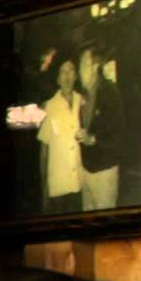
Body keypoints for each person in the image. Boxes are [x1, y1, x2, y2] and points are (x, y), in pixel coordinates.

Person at [76, 47, 125, 212]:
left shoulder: (109, 91)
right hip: (86, 169)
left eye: (83, 65)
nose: (79, 71)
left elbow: (118, 130)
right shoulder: (85, 95)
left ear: (95, 67)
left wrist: (93, 139)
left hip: (104, 170)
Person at [36, 53, 84, 212]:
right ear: (57, 79)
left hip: (79, 182)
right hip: (58, 185)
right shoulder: (49, 107)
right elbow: (43, 151)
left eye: (71, 70)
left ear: (76, 75)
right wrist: (44, 188)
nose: (67, 76)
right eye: (63, 71)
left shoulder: (83, 102)